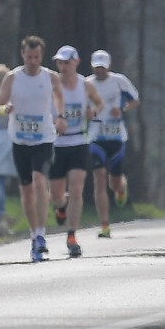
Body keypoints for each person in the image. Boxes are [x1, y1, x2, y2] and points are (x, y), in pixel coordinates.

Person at [0, 35, 65, 262]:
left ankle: (42, 234)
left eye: (37, 57)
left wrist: (61, 116)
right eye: (29, 56)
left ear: (41, 56)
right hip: (20, 140)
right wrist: (5, 109)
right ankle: (34, 234)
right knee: (26, 189)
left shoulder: (50, 77)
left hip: (43, 138)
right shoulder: (12, 78)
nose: (33, 61)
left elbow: (59, 98)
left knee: (38, 180)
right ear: (22, 54)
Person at [48, 45, 103, 257]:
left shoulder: (85, 85)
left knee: (77, 187)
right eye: (60, 63)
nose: (63, 67)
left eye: (66, 62)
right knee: (56, 194)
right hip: (56, 144)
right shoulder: (53, 84)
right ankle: (61, 206)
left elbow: (99, 104)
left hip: (79, 141)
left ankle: (72, 236)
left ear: (76, 62)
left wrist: (93, 111)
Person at [87, 49, 141, 234]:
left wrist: (123, 109)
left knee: (115, 182)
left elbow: (135, 100)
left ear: (108, 66)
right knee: (99, 179)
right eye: (96, 67)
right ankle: (104, 224)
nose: (99, 71)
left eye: (102, 67)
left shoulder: (119, 81)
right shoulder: (87, 84)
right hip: (96, 137)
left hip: (117, 137)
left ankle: (120, 189)